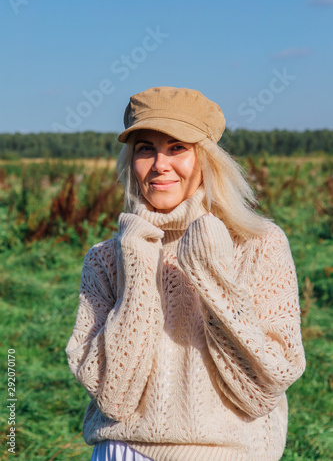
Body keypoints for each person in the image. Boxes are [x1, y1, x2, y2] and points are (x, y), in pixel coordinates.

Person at [66, 86, 306, 461]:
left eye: (177, 147)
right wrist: (138, 270)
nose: (160, 163)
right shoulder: (105, 258)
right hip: (122, 451)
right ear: (131, 160)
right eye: (146, 148)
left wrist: (211, 274)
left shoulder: (259, 243)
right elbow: (113, 396)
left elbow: (262, 389)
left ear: (207, 159)